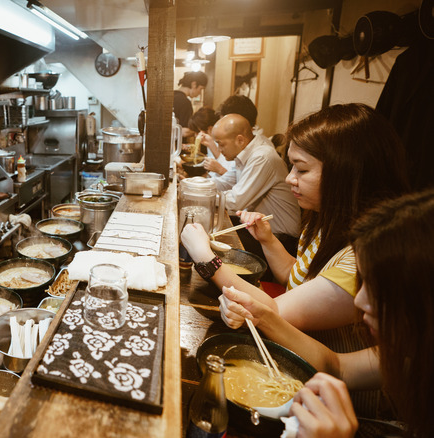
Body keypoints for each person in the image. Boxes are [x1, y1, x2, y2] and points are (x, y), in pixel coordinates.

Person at [217, 189, 434, 437]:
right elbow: (338, 367)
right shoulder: (410, 351)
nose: (360, 301)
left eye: (380, 290)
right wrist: (262, 317)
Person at [182, 103, 410, 338]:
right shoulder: (322, 221)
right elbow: (297, 276)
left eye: (301, 170)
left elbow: (274, 312)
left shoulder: (361, 257)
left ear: (346, 172)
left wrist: (205, 257)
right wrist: (268, 240)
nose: (290, 178)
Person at [209, 113, 301, 254]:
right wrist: (192, 186)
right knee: (210, 231)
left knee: (212, 243)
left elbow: (235, 201)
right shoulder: (244, 154)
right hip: (260, 230)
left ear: (240, 140)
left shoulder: (262, 157)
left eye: (221, 144)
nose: (220, 150)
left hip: (282, 240)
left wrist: (201, 196)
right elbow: (224, 182)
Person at [189, 106, 231, 177]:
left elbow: (229, 175)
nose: (197, 136)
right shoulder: (210, 140)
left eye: (198, 131)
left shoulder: (223, 142)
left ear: (210, 129)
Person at [173, 71, 208, 138]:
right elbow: (186, 131)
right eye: (201, 89)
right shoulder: (185, 102)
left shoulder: (169, 96)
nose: (200, 93)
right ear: (194, 84)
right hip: (177, 145)